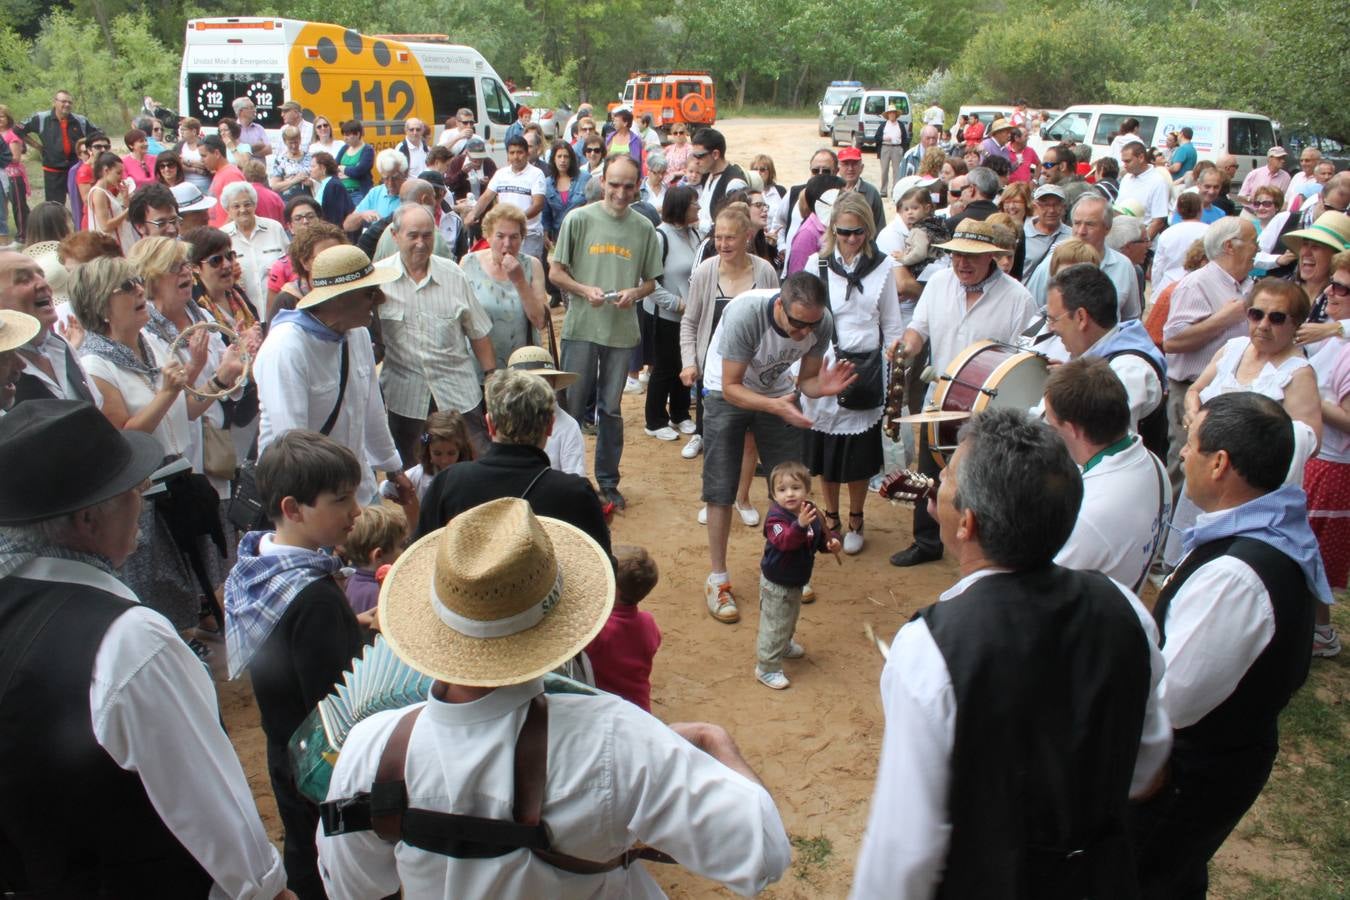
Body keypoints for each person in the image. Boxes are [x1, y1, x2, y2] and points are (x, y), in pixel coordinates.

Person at [320, 494, 790, 896]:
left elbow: (355, 886)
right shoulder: (615, 738)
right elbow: (763, 852)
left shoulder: (371, 749)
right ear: (557, 617)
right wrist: (713, 740)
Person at [852, 407, 1169, 898]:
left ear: (967, 524)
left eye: (949, 474)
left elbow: (903, 850)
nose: (938, 481)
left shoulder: (931, 649)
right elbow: (1146, 768)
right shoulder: (1125, 608)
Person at [0, 400, 293, 898]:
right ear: (90, 520)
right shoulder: (130, 641)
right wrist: (267, 887)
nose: (142, 499)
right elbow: (206, 800)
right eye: (132, 490)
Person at [1131, 392, 1324, 897]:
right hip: (1217, 759)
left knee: (1147, 876)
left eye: (1191, 444)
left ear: (1220, 464)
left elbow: (1172, 702)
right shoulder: (1270, 534)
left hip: (1192, 772)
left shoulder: (1236, 577)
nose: (1180, 456)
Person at [224, 430, 370, 898]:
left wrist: (356, 624)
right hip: (321, 775)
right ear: (293, 509)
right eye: (340, 499)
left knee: (301, 848)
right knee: (325, 865)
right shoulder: (314, 599)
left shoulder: (258, 564)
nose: (356, 511)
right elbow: (337, 713)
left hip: (283, 751)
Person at [697, 272, 854, 623]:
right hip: (727, 392)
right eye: (797, 323)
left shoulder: (819, 322)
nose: (803, 333)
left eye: (811, 325)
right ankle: (718, 579)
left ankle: (783, 564)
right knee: (721, 486)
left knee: (789, 483)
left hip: (777, 392)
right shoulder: (746, 315)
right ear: (780, 305)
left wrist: (821, 388)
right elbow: (732, 386)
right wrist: (776, 406)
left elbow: (807, 381)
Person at [887, 219, 1037, 567]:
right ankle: (926, 542)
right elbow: (917, 330)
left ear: (992, 257)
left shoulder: (1019, 299)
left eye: (972, 257)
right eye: (956, 255)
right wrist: (904, 349)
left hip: (988, 412)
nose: (962, 264)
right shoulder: (938, 283)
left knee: (983, 477)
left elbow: (1024, 361)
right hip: (938, 401)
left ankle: (985, 550)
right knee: (930, 473)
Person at [254, 244, 407, 507]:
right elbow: (293, 447)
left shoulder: (357, 334)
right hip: (312, 502)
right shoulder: (285, 348)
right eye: (371, 292)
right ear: (339, 298)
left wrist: (393, 469)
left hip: (359, 491)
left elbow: (372, 412)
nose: (380, 300)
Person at [550, 155, 662, 510]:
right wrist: (584, 290)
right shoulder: (578, 219)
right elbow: (556, 273)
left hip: (620, 332)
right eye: (614, 184)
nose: (620, 193)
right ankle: (566, 477)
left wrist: (635, 293)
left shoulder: (644, 228)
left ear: (638, 185)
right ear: (602, 180)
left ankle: (608, 482)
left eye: (629, 186)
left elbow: (650, 281)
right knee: (569, 407)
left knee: (610, 410)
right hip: (582, 327)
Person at [801, 192, 902, 556]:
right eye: (844, 232)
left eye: (858, 232)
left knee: (858, 454)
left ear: (869, 230)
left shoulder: (884, 268)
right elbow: (806, 318)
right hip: (827, 367)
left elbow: (891, 324)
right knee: (829, 451)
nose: (851, 239)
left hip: (867, 369)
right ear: (833, 230)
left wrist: (893, 369)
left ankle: (857, 517)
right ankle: (831, 518)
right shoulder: (817, 264)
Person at [415, 368, 611, 552]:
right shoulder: (576, 493)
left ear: (490, 424)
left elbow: (422, 553)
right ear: (550, 426)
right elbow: (601, 565)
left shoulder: (449, 482)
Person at [373, 204, 495, 466]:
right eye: (413, 235)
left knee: (473, 464)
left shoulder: (453, 274)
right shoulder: (378, 280)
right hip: (407, 400)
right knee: (417, 467)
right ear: (395, 236)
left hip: (457, 395)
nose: (421, 243)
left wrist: (491, 377)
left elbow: (478, 332)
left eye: (427, 235)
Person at [1043, 358, 1170, 591]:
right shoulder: (1153, 463)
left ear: (1071, 428)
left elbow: (1038, 594)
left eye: (1052, 425)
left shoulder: (1088, 517)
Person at [1162, 217, 1258, 496]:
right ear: (1230, 246)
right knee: (1185, 472)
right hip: (1193, 394)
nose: (1258, 248)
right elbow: (1172, 341)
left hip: (1232, 398)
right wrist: (1223, 319)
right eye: (1253, 241)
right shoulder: (1196, 284)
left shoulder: (1250, 285)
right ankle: (1170, 537)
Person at [680, 203, 780, 468]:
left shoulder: (765, 272)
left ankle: (743, 498)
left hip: (753, 372)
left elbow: (775, 324)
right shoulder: (705, 272)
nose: (723, 244)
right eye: (718, 237)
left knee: (749, 440)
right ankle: (716, 498)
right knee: (715, 437)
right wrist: (690, 362)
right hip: (713, 374)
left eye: (730, 237)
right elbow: (690, 321)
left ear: (747, 236)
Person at [1044, 263, 1167, 449]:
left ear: (1081, 317)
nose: (1050, 328)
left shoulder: (1127, 372)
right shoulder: (1098, 351)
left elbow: (1105, 450)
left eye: (1053, 319)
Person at [754, 461, 841, 690]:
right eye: (781, 490)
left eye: (795, 487)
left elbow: (820, 532)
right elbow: (786, 543)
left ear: (807, 490)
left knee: (789, 617)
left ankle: (783, 645)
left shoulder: (810, 510)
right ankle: (766, 667)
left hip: (796, 579)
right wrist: (800, 524)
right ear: (773, 494)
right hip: (776, 581)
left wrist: (830, 543)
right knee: (774, 624)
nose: (789, 494)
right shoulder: (776, 519)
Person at [1304, 250, 1350, 657]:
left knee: (1316, 550)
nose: (1331, 293)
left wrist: (1306, 400)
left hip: (1335, 465)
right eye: (1332, 284)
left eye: (1342, 288)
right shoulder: (1339, 336)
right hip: (1321, 459)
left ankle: (1322, 632)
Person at [0, 250, 97, 406]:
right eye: (24, 279)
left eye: (41, 275)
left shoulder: (60, 345)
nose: (44, 284)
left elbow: (97, 409)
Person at [1025, 193, 1142, 319]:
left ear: (1107, 228)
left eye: (1090, 224)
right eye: (1077, 223)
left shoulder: (1123, 266)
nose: (1081, 232)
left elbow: (1131, 319)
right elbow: (1033, 313)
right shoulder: (1052, 264)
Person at [643, 185, 700, 443]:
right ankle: (654, 420)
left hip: (689, 317)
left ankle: (679, 412)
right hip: (665, 315)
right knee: (664, 367)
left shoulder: (695, 234)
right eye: (693, 204)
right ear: (680, 207)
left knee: (684, 362)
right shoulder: (659, 237)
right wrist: (677, 304)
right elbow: (649, 281)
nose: (698, 207)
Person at [584, 543, 663, 710]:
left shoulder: (601, 631)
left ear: (616, 590)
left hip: (609, 709)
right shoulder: (648, 622)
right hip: (640, 706)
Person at [505, 345, 587, 478]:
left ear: (552, 383)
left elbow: (573, 479)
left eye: (540, 383)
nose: (532, 391)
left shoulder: (568, 426)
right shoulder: (504, 421)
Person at [464, 136, 547, 260]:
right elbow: (487, 196)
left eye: (519, 152)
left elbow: (538, 204)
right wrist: (473, 214)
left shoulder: (536, 174)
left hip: (530, 234)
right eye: (512, 153)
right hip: (504, 235)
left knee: (528, 272)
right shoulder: (501, 174)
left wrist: (517, 221)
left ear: (527, 153)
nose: (516, 156)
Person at [17, 90, 95, 207]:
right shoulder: (41, 118)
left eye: (69, 102)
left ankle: (81, 225)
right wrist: (36, 145)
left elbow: (98, 134)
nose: (67, 105)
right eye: (63, 101)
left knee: (82, 204)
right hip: (53, 170)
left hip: (76, 168)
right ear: (55, 102)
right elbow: (18, 129)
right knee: (54, 207)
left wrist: (84, 146)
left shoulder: (80, 120)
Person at [220, 181, 289, 311]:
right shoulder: (222, 237)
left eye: (247, 204)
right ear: (227, 210)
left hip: (279, 310)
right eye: (236, 206)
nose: (243, 210)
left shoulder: (274, 228)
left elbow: (290, 266)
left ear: (255, 205)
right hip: (245, 313)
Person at [340, 502, 407, 620]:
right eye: (401, 546)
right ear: (378, 556)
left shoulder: (351, 579)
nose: (404, 551)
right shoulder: (380, 594)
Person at [688, 128, 747, 234]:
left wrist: (697, 224)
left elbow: (734, 226)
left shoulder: (734, 183)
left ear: (715, 154)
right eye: (693, 156)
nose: (695, 161)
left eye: (699, 156)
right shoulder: (708, 175)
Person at [344, 148, 410, 236]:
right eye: (385, 178)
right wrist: (362, 215)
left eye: (395, 178)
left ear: (404, 174)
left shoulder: (412, 193)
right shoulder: (376, 192)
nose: (390, 183)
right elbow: (347, 225)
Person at [1152, 192, 1208, 292]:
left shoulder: (1167, 233)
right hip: (1199, 287)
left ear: (1178, 210)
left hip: (1168, 285)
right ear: (1201, 208)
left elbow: (1158, 265)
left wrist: (1155, 290)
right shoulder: (1210, 232)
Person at [84, 152, 138, 254]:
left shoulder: (106, 192)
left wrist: (125, 198)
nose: (121, 177)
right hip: (111, 249)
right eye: (118, 173)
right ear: (106, 170)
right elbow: (105, 226)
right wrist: (128, 211)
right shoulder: (99, 193)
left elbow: (123, 217)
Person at [1117, 140, 1170, 240]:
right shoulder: (1126, 178)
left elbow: (1158, 221)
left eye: (1128, 161)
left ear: (1141, 158)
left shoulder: (1158, 182)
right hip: (1122, 240)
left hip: (1142, 245)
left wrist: (1142, 244)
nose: (1124, 165)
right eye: (1123, 161)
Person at [541, 139, 588, 247]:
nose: (563, 160)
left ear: (572, 159)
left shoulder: (584, 178)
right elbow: (546, 214)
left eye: (566, 156)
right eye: (559, 156)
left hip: (582, 235)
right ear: (553, 159)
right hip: (559, 237)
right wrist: (545, 234)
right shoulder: (547, 183)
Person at [835, 146, 888, 230]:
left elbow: (880, 226)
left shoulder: (872, 193)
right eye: (846, 164)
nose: (850, 168)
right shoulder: (832, 192)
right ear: (838, 168)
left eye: (854, 164)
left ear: (861, 167)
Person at [269, 126, 312, 201]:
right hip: (288, 202)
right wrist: (294, 180)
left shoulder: (310, 157)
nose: (294, 146)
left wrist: (311, 182)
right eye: (290, 143)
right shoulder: (280, 160)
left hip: (307, 200)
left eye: (296, 142)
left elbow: (319, 180)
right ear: (285, 141)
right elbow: (274, 186)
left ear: (300, 140)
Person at [874, 105, 908, 197]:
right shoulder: (883, 125)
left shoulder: (900, 125)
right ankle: (883, 191)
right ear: (888, 115)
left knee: (897, 171)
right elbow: (876, 137)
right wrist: (884, 138)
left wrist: (904, 150)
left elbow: (905, 138)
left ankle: (895, 191)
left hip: (897, 148)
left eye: (893, 113)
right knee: (884, 170)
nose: (892, 114)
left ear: (896, 114)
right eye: (890, 113)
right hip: (885, 148)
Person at [336, 121, 374, 204]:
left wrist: (343, 168)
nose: (345, 138)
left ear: (357, 134)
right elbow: (334, 166)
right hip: (342, 192)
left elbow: (359, 171)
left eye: (348, 135)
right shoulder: (344, 148)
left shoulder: (367, 150)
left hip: (358, 193)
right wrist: (350, 171)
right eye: (344, 135)